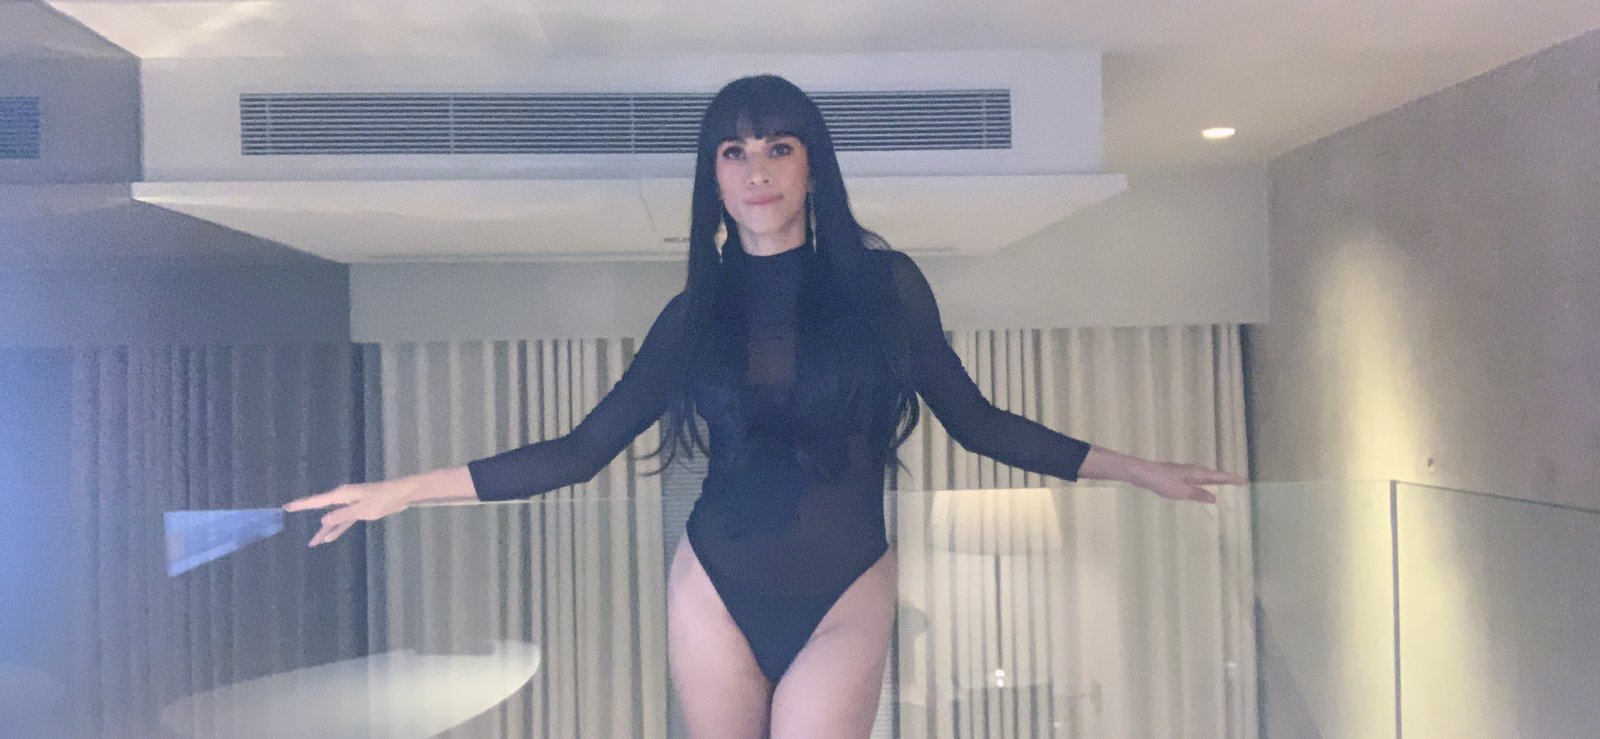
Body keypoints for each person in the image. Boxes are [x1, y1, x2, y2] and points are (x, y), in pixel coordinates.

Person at [284, 74, 1246, 739]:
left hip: (847, 586)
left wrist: (1138, 468)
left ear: (811, 165)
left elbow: (978, 421)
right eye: (735, 151)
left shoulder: (883, 288)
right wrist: (399, 490)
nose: (757, 169)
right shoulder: (692, 316)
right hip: (715, 584)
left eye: (779, 147)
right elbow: (581, 450)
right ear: (713, 178)